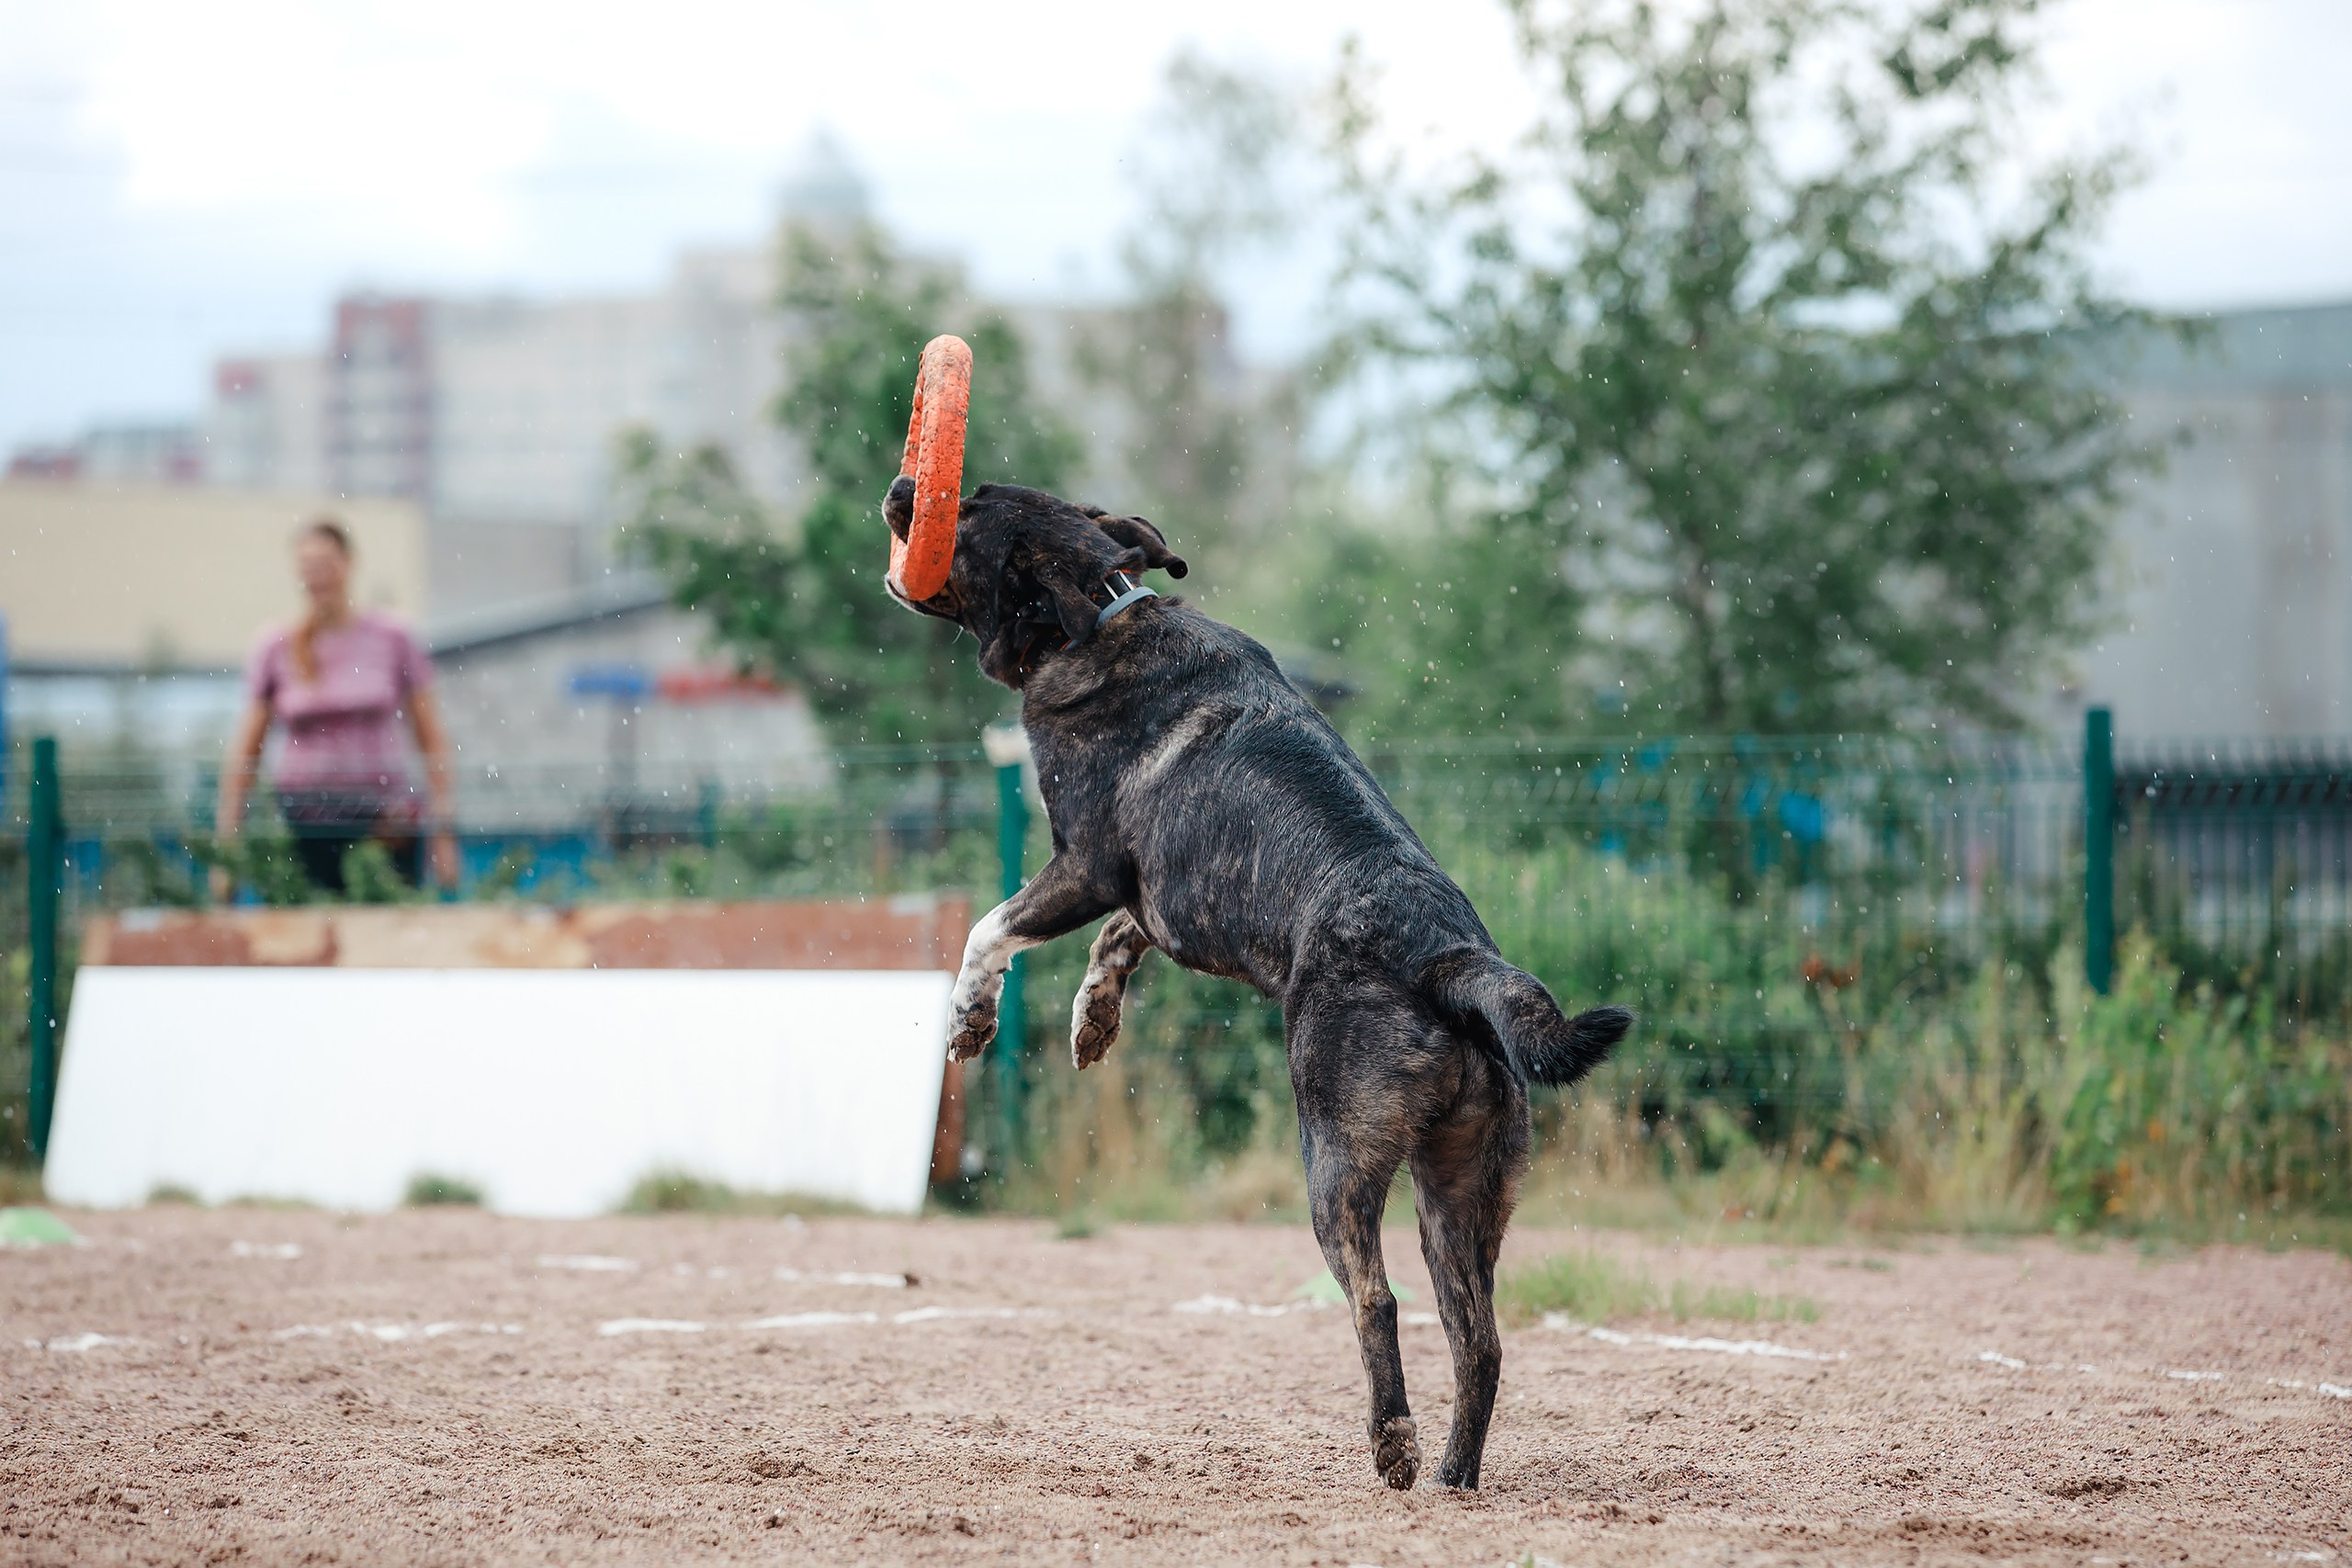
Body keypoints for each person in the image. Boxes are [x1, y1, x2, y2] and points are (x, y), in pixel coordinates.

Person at [214, 518, 458, 897]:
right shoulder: (276, 646)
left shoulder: (394, 638)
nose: (319, 576)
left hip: (385, 822)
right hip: (304, 826)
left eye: (327, 564)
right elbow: (247, 751)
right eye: (308, 567)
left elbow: (431, 737)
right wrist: (227, 844)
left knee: (388, 931)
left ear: (350, 564)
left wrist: (444, 831)